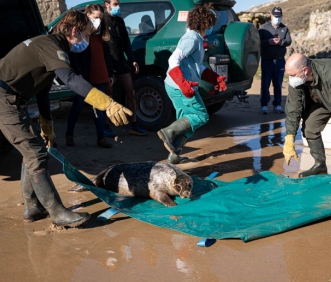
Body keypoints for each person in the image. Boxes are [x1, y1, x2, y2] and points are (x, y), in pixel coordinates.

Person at [0, 10, 132, 227]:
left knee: (32, 148)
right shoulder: (52, 45)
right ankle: (56, 212)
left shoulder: (50, 46)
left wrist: (46, 125)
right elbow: (71, 79)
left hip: (2, 94)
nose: (86, 40)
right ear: (74, 30)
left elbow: (42, 90)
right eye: (86, 35)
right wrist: (106, 102)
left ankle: (33, 207)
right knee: (35, 152)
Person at [157, 3, 226, 164]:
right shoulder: (192, 38)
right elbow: (173, 59)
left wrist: (215, 78)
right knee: (200, 116)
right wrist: (183, 84)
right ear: (204, 23)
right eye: (210, 24)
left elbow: (198, 66)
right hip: (180, 86)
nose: (211, 28)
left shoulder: (197, 39)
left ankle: (174, 154)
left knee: (186, 119)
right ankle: (169, 131)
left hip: (177, 85)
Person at [65, 4, 115, 148]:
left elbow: (107, 56)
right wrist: (78, 72)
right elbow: (73, 54)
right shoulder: (80, 34)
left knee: (99, 106)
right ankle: (69, 134)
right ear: (88, 16)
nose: (98, 21)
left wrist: (109, 73)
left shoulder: (102, 34)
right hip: (83, 77)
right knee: (78, 105)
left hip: (98, 75)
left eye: (100, 17)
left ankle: (101, 137)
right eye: (95, 17)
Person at [103, 0, 148, 136]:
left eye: (118, 4)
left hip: (121, 62)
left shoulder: (120, 21)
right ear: (107, 4)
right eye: (115, 3)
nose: (118, 6)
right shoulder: (102, 21)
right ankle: (105, 126)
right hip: (108, 63)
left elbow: (126, 42)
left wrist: (132, 60)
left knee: (132, 93)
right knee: (108, 96)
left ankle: (134, 124)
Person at [258, 6, 292, 114]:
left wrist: (280, 42)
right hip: (267, 60)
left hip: (280, 60)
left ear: (281, 16)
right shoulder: (263, 28)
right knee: (265, 83)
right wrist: (269, 42)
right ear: (271, 16)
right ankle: (264, 105)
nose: (277, 18)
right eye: (275, 16)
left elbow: (288, 41)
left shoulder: (285, 28)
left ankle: (277, 105)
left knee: (278, 83)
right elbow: (258, 42)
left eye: (279, 16)